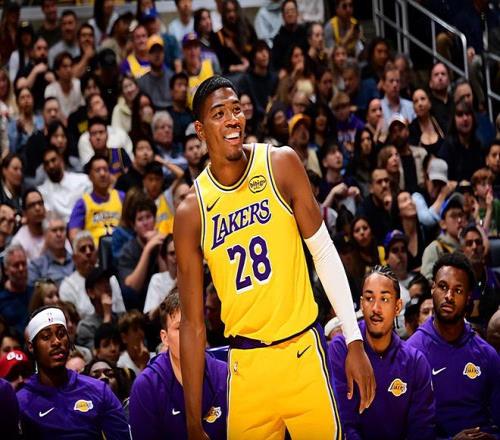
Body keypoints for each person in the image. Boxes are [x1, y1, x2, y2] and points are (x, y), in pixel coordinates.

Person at [174, 75, 374, 439]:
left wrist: (354, 339)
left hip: (301, 353)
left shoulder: (280, 163)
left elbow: (323, 252)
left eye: (236, 109)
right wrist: (192, 420)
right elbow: (191, 323)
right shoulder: (192, 210)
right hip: (246, 365)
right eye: (219, 114)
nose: (232, 119)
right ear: (200, 130)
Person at [329, 265, 435, 439]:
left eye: (384, 299)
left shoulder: (415, 362)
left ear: (397, 306)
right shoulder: (342, 348)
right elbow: (343, 422)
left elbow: (421, 430)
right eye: (369, 298)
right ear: (361, 304)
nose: (375, 308)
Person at [407, 253, 500, 438]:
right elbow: (406, 431)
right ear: (432, 288)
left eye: (458, 290)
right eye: (443, 287)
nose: (449, 296)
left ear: (468, 297)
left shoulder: (487, 355)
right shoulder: (411, 353)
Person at [17, 306, 130, 438]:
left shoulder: (99, 391)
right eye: (46, 337)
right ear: (31, 346)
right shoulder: (20, 402)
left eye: (61, 334)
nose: (56, 342)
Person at [129, 289, 227, 439]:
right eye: (180, 328)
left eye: (195, 325)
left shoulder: (225, 375)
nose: (189, 335)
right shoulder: (146, 386)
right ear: (165, 338)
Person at [59, 231, 124, 320]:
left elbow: (121, 311)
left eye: (91, 248)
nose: (88, 252)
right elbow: (71, 321)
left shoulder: (111, 279)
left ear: (97, 254)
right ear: (74, 258)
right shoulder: (67, 286)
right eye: (83, 249)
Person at [68, 155, 124, 245]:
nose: (102, 174)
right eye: (97, 170)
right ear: (90, 176)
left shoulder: (121, 197)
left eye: (105, 170)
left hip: (121, 248)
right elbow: (73, 235)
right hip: (95, 251)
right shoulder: (82, 204)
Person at [460, 224, 500, 329]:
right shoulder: (457, 280)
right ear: (462, 250)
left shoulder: (496, 277)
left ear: (483, 248)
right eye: (469, 243)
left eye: (478, 242)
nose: (474, 247)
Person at [38, 145, 92, 223]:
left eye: (53, 160)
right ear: (44, 167)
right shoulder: (41, 192)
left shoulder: (83, 180)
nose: (51, 166)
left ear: (61, 159)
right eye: (47, 163)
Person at [421, 193, 465, 279]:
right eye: (453, 216)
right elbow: (426, 280)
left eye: (461, 215)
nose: (459, 220)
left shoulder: (469, 246)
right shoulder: (435, 248)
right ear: (443, 224)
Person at [28, 211, 74, 286]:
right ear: (45, 235)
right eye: (54, 230)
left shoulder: (76, 261)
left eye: (62, 229)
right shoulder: (37, 266)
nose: (59, 234)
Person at [0, 245, 32, 336]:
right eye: (16, 265)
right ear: (6, 270)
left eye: (23, 264)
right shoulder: (1, 300)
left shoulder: (35, 293)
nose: (21, 269)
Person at [137, 35, 174, 110]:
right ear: (147, 55)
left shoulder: (172, 78)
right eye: (153, 51)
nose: (157, 55)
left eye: (159, 51)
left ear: (164, 53)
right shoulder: (141, 82)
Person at [144, 234, 177, 316]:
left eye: (179, 252)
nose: (176, 257)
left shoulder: (192, 279)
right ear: (164, 257)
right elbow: (151, 315)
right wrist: (174, 287)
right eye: (172, 253)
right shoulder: (157, 280)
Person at [44, 52, 83, 119]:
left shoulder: (78, 84)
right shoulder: (50, 89)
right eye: (65, 66)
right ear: (57, 71)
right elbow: (50, 113)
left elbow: (82, 109)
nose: (69, 70)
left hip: (78, 122)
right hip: (58, 123)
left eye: (71, 66)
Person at [11, 189, 46, 262]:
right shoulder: (18, 242)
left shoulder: (54, 229)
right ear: (24, 213)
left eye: (40, 203)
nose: (37, 208)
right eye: (32, 205)